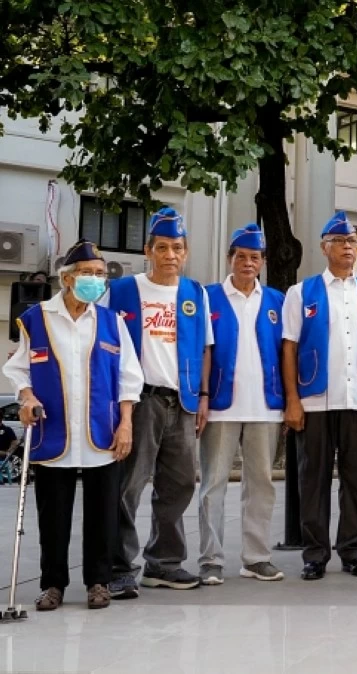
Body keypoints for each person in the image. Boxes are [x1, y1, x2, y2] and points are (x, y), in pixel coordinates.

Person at [3, 240, 143, 610]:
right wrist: (27, 396)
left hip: (103, 431)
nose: (95, 281)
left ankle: (99, 582)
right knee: (54, 516)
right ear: (67, 278)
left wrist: (126, 423)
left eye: (100, 275)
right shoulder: (37, 318)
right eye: (88, 274)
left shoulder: (112, 321)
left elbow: (130, 376)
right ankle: (53, 584)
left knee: (103, 514)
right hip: (54, 432)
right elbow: (18, 368)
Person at [106, 207, 213, 597]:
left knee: (179, 484)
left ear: (185, 253)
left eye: (178, 248)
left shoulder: (194, 293)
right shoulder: (120, 291)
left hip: (182, 403)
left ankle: (163, 564)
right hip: (138, 402)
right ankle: (118, 566)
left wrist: (202, 396)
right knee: (128, 485)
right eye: (163, 247)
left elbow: (205, 349)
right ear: (148, 249)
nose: (171, 255)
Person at [282, 211, 357, 581]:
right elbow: (289, 348)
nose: (347, 247)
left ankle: (355, 551)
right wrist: (292, 400)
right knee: (314, 480)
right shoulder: (302, 292)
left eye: (352, 242)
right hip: (314, 400)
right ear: (325, 247)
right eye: (340, 242)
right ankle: (314, 554)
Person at [196, 224, 286, 585]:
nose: (248, 263)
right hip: (220, 405)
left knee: (261, 484)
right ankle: (211, 559)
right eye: (241, 256)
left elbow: (286, 353)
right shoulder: (208, 297)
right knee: (213, 483)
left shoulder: (277, 301)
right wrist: (202, 396)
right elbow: (202, 350)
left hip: (265, 406)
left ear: (262, 262)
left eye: (254, 257)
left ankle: (256, 557)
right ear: (229, 259)